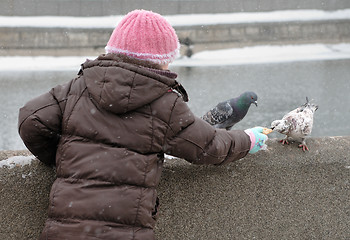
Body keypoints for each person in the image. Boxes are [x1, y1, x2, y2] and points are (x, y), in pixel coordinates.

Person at [18, 9, 267, 240]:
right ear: (162, 61)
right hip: (126, 231)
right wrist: (249, 139)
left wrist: (62, 159)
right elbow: (209, 146)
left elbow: (31, 119)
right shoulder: (164, 103)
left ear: (113, 49)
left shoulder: (76, 88)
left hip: (66, 231)